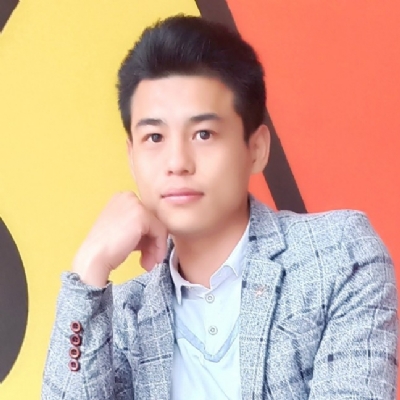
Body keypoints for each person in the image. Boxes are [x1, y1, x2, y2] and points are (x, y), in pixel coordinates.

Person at [41, 15, 398, 400]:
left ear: (256, 149)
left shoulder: (338, 256)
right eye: (155, 137)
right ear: (132, 157)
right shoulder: (125, 316)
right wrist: (90, 269)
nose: (177, 162)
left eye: (203, 133)